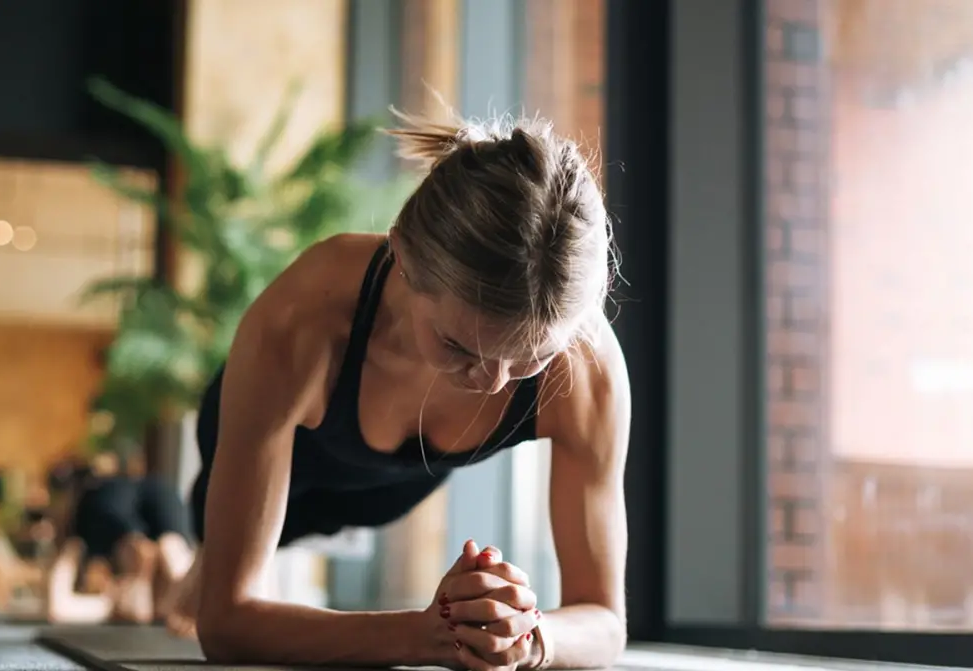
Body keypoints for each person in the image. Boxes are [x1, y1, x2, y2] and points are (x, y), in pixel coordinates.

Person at [168, 110, 631, 671]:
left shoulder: (587, 369)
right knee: (201, 593)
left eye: (530, 359)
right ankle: (181, 564)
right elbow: (226, 626)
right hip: (276, 439)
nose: (493, 383)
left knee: (255, 583)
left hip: (391, 487)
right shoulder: (304, 317)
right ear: (403, 258)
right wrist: (425, 636)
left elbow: (606, 622)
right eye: (458, 346)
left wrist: (526, 636)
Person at [36, 454, 196, 624]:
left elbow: (56, 608)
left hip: (108, 504)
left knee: (161, 568)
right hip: (160, 491)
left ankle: (154, 595)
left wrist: (111, 604)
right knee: (172, 552)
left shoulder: (84, 514)